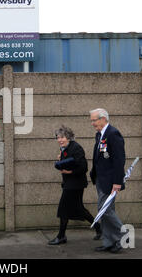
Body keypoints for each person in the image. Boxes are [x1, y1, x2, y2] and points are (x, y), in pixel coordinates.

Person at [48, 125, 102, 245]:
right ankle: (99, 228)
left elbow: (84, 167)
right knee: (79, 209)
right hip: (70, 183)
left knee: (64, 209)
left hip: (75, 184)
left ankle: (61, 236)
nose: (60, 140)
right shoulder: (65, 148)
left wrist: (69, 171)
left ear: (68, 137)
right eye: (58, 137)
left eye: (62, 137)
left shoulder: (76, 148)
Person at [89, 108, 125, 253]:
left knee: (104, 210)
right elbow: (104, 156)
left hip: (110, 180)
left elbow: (118, 160)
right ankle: (110, 242)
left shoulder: (113, 134)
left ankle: (123, 234)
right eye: (91, 120)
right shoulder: (100, 135)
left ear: (103, 119)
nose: (92, 123)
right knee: (107, 209)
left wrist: (117, 182)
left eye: (94, 120)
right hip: (101, 178)